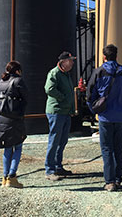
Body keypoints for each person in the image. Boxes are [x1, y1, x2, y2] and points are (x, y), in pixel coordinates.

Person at [87, 44, 122, 191]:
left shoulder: (99, 72)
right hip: (121, 117)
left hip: (105, 116)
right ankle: (118, 178)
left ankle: (110, 181)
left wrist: (95, 110)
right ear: (117, 56)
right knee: (118, 148)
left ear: (104, 57)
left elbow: (89, 95)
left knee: (107, 149)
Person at [44, 51, 76, 181]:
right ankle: (49, 170)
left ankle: (58, 166)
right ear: (63, 62)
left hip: (65, 112)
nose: (73, 63)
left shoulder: (66, 75)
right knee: (54, 140)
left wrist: (71, 108)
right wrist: (62, 98)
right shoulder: (54, 73)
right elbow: (49, 89)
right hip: (56, 112)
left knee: (62, 141)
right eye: (71, 60)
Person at [0, 60, 27, 188]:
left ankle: (4, 178)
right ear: (17, 70)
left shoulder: (2, 82)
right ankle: (12, 177)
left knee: (7, 148)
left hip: (2, 117)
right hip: (14, 118)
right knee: (18, 147)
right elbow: (26, 97)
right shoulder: (18, 81)